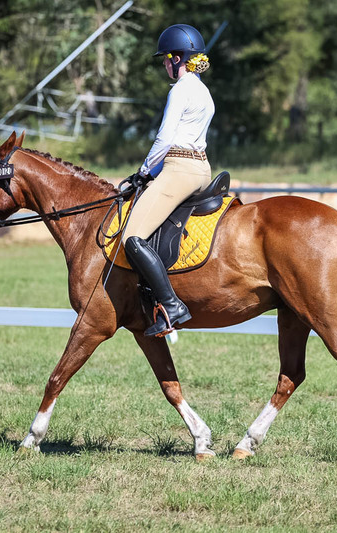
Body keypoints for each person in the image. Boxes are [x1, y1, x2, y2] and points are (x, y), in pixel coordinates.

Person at [123, 23, 215, 337]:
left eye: (166, 58)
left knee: (132, 237)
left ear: (177, 59)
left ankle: (171, 305)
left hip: (180, 169)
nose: (164, 64)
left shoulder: (180, 90)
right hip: (202, 169)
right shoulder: (203, 91)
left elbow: (164, 139)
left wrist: (144, 171)